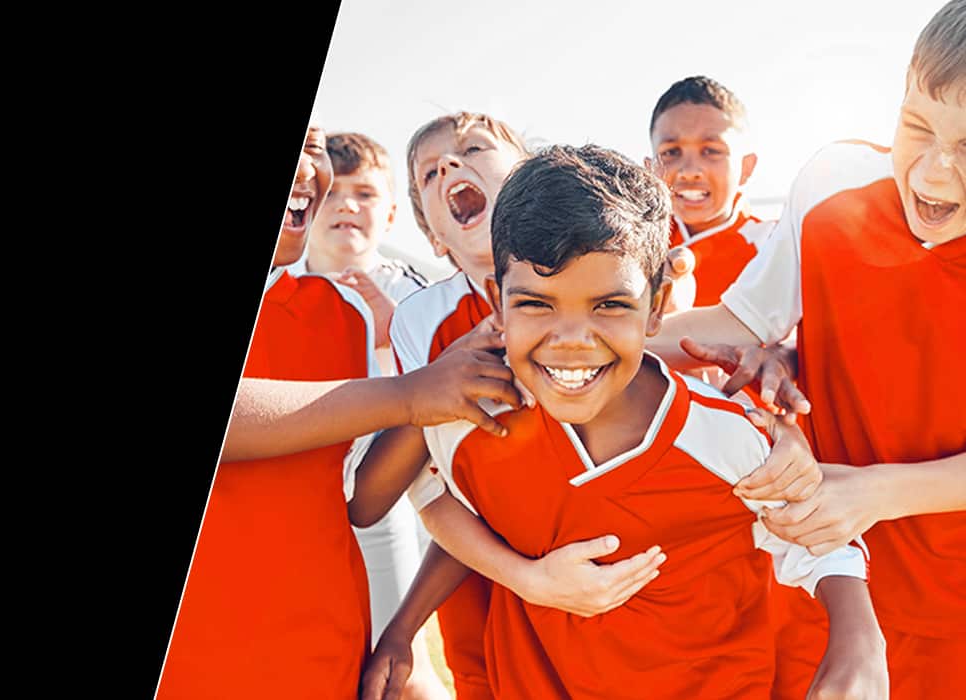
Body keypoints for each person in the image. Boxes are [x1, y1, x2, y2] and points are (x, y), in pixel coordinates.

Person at [359, 144, 886, 700]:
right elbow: (435, 499)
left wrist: (858, 642)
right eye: (537, 304)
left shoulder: (725, 435)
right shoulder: (469, 422)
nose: (571, 341)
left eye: (609, 305)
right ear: (497, 301)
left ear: (656, 306)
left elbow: (822, 541)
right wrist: (506, 588)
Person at [158, 125, 551, 700]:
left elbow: (360, 500)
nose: (308, 170)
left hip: (320, 653)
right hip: (193, 659)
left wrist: (439, 390)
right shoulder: (415, 329)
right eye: (430, 169)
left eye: (312, 147)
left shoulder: (346, 317)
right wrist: (418, 392)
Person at [651, 3, 966, 696]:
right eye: (918, 127)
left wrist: (876, 492)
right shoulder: (833, 184)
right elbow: (741, 322)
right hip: (828, 579)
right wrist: (593, 334)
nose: (935, 176)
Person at [283, 130, 447, 700]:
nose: (347, 205)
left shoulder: (413, 292)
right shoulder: (285, 289)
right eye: (334, 194)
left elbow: (437, 384)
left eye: (366, 194)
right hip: (293, 504)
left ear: (394, 212)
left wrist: (389, 337)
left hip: (381, 504)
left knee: (398, 667)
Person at [647, 76, 774, 309]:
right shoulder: (626, 247)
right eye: (671, 152)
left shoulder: (774, 248)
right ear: (650, 169)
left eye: (711, 151)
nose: (689, 171)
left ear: (746, 168)